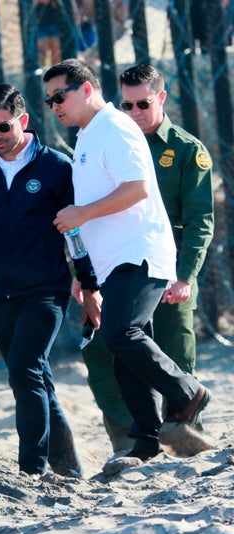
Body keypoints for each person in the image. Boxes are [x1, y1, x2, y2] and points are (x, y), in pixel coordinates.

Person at [44, 58, 211, 463]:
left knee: (122, 334)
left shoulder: (115, 128)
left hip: (140, 253)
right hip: (111, 262)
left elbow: (136, 189)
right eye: (49, 101)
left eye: (60, 96)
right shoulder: (87, 135)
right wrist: (85, 276)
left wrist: (81, 214)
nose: (55, 106)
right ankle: (146, 441)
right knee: (119, 345)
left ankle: (188, 393)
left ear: (85, 89)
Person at [0, 83, 92, 478]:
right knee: (33, 375)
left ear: (23, 121)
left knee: (25, 368)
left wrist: (87, 280)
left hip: (46, 289)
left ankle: (32, 470)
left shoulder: (57, 168)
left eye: (3, 127)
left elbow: (78, 231)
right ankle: (68, 465)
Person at [35, 0, 63, 67]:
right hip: (41, 24)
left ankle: (56, 72)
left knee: (56, 51)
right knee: (42, 51)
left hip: (54, 22)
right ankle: (42, 72)